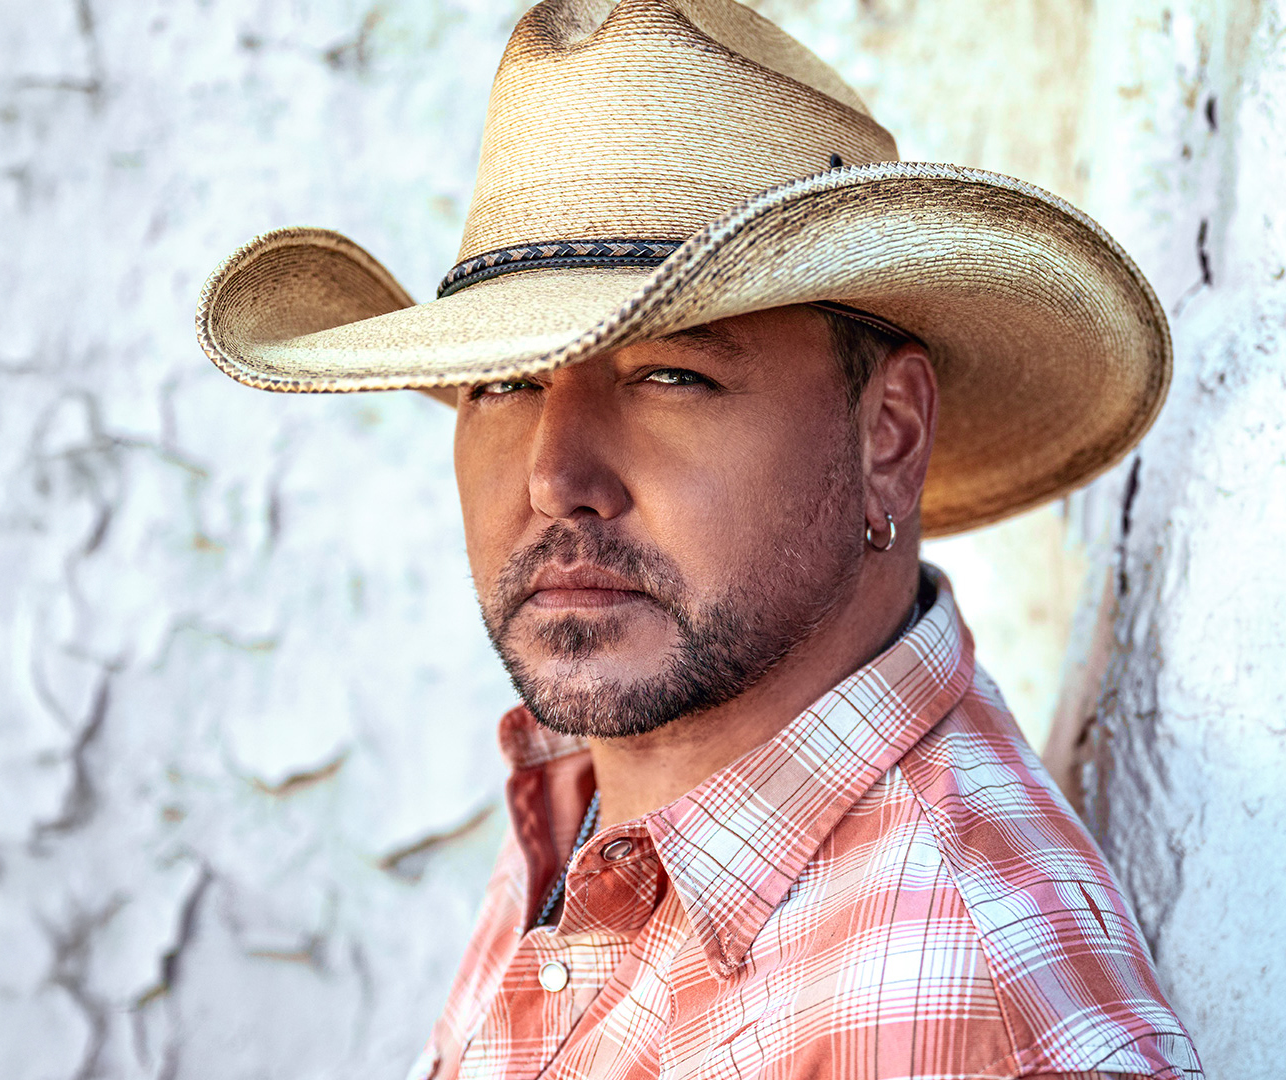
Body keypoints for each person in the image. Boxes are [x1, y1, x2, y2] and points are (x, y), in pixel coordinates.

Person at [195, 1, 1200, 1076]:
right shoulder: (600, 796)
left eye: (670, 374)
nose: (555, 478)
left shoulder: (961, 1020)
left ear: (889, 437)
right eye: (502, 381)